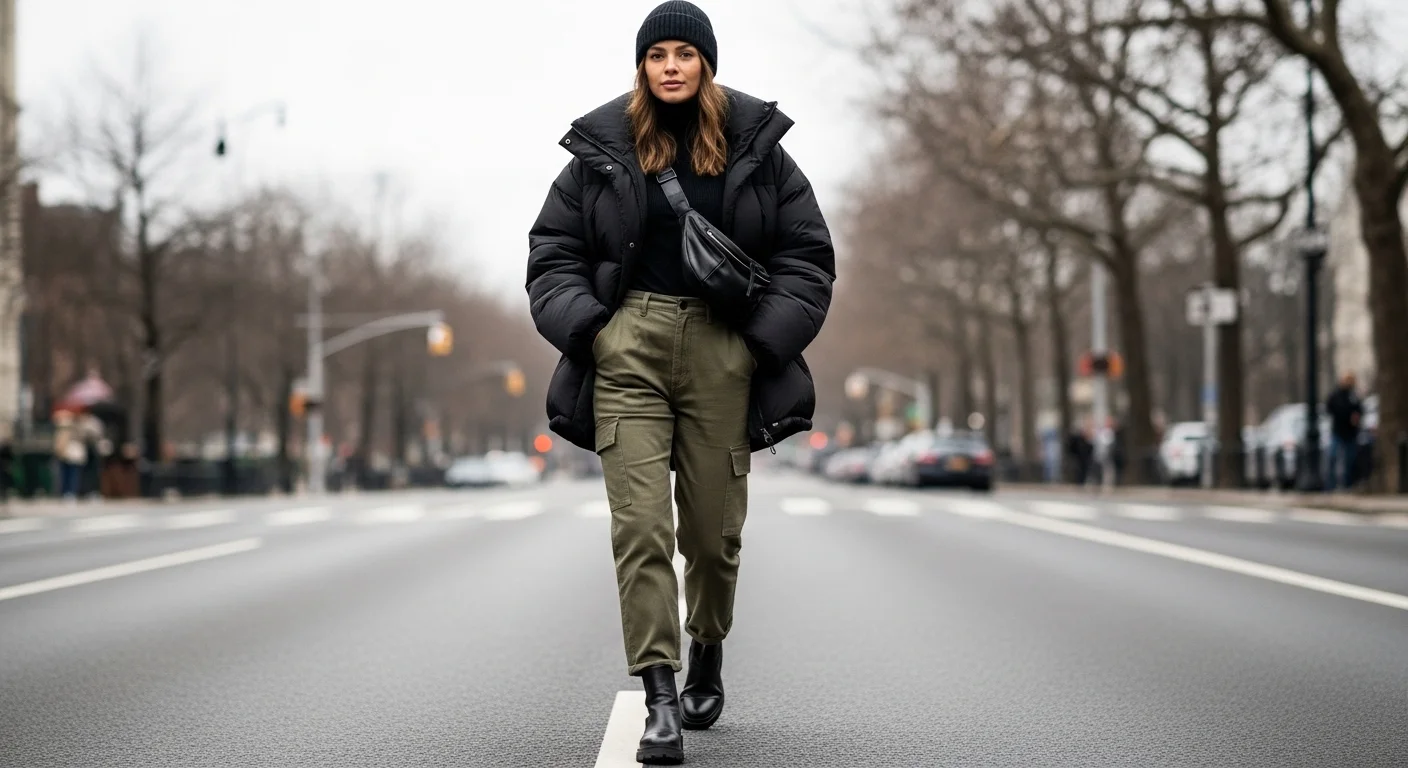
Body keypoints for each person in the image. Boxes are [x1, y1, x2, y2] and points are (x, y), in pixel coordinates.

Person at [526, 3, 835, 762]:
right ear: (641, 65)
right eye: (657, 53)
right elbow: (552, 252)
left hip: (723, 350)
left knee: (712, 534)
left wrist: (761, 343)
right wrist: (595, 328)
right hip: (626, 349)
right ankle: (659, 694)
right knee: (639, 528)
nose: (670, 65)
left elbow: (807, 255)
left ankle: (707, 647)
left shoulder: (756, 149)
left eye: (684, 54)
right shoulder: (601, 150)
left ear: (706, 64)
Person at [1324, 372, 1363, 491]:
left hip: (1351, 432)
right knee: (1333, 456)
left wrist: (1356, 417)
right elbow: (1328, 408)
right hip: (1338, 431)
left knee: (1349, 459)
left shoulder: (1354, 395)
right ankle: (1330, 485)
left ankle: (1348, 484)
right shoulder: (1336, 394)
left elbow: (1360, 410)